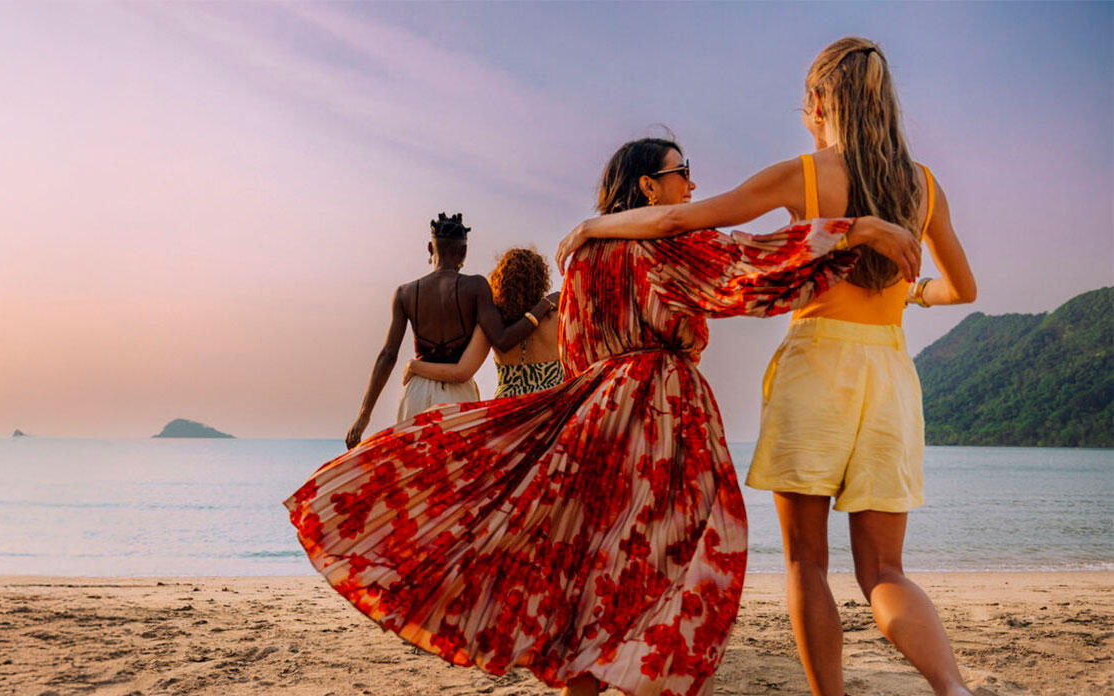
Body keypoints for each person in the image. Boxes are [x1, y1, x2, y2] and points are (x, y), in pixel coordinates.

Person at [287, 136, 922, 696]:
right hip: (662, 411)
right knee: (674, 572)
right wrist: (854, 231)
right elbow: (749, 268)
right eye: (682, 173)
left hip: (593, 412)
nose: (692, 185)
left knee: (592, 572)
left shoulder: (584, 258)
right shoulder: (666, 248)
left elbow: (576, 351)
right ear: (650, 186)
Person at [562, 38, 978, 696]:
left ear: (817, 102)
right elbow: (964, 288)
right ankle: (952, 687)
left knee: (807, 562)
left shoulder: (805, 174)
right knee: (885, 573)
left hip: (817, 365)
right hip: (891, 371)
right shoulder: (923, 184)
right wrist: (913, 293)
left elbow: (684, 220)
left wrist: (593, 227)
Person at [346, 213, 555, 447]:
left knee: (414, 475)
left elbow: (387, 355)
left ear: (429, 248)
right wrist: (543, 305)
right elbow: (502, 338)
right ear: (464, 252)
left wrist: (364, 415)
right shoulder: (476, 287)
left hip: (416, 391)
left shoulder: (405, 293)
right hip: (458, 396)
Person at [405, 246, 568, 398]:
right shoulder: (558, 317)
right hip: (555, 404)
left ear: (501, 282)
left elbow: (461, 372)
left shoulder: (493, 325)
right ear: (541, 281)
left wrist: (415, 366)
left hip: (507, 411)